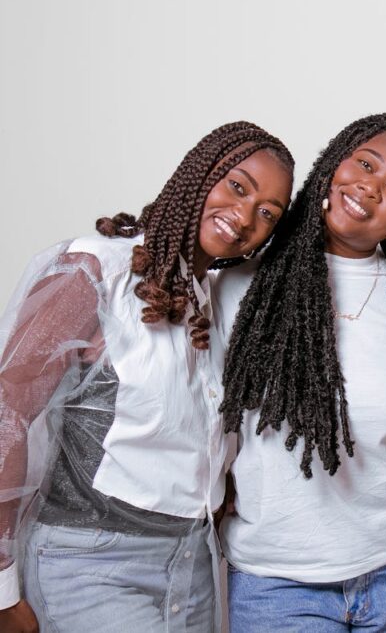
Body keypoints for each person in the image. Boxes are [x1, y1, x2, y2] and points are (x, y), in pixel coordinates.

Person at [0, 121, 294, 632]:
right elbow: (9, 412)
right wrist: (0, 587)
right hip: (90, 564)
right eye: (237, 186)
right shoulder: (95, 269)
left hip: (192, 564)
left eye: (268, 212)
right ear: (200, 174)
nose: (245, 216)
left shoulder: (215, 295)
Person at [216, 114, 386, 632]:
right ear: (335, 163)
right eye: (364, 164)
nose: (370, 188)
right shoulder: (239, 287)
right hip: (277, 583)